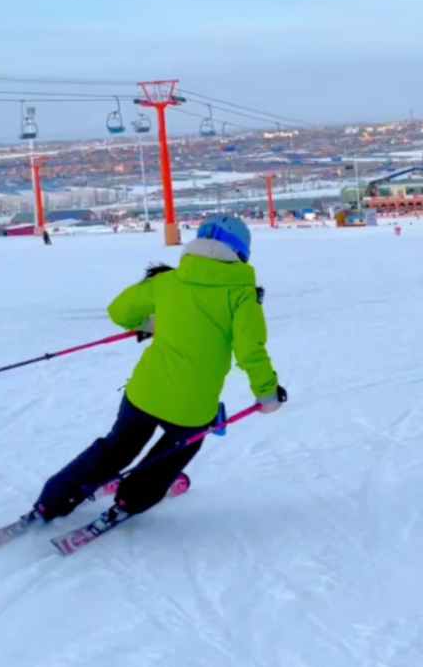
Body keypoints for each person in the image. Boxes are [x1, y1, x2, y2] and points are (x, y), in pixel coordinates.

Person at [30, 215, 285, 525]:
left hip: (143, 393)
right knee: (172, 453)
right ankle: (131, 497)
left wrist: (152, 323)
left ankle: (53, 500)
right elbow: (250, 351)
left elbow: (119, 311)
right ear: (241, 253)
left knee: (116, 448)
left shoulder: (166, 282)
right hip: (192, 407)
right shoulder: (242, 296)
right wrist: (267, 393)